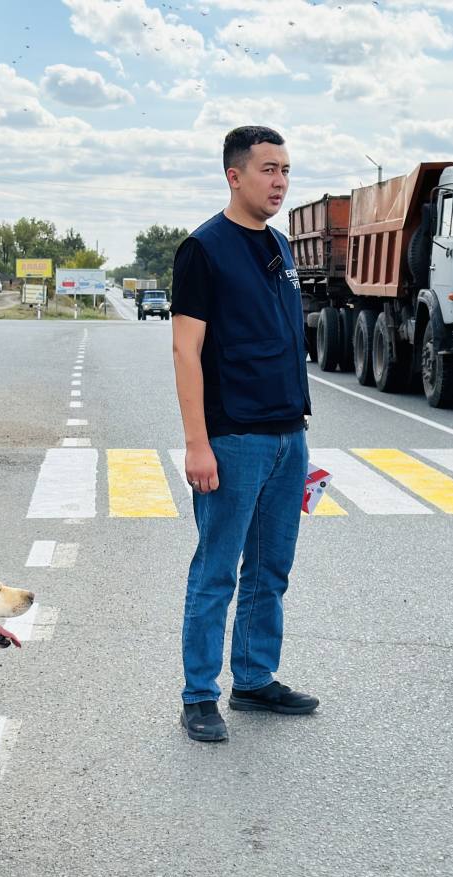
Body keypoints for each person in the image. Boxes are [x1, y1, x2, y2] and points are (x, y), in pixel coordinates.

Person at [170, 125, 318, 743]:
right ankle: (199, 695)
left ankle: (254, 679)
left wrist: (297, 433)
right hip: (233, 439)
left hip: (287, 435)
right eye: (267, 170)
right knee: (217, 571)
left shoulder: (280, 246)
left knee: (271, 569)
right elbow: (186, 350)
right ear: (234, 176)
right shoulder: (203, 249)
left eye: (285, 170)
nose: (280, 182)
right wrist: (197, 443)